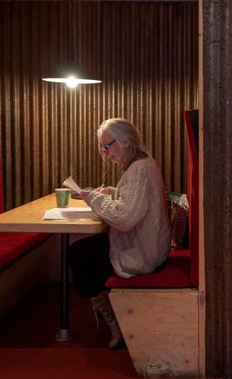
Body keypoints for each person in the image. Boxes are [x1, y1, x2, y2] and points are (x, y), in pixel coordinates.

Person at [69, 118, 171, 350]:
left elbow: (125, 218)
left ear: (125, 141)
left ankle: (115, 321)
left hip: (144, 255)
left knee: (79, 253)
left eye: (107, 145)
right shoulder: (142, 164)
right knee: (84, 249)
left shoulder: (139, 170)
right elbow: (135, 202)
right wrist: (112, 192)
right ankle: (111, 315)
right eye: (102, 148)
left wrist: (95, 197)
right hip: (153, 246)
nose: (105, 153)